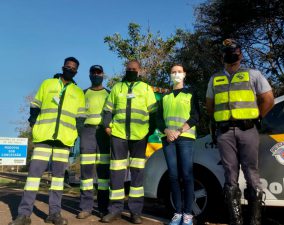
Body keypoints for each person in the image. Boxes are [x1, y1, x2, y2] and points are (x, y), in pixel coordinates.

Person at [9, 57, 86, 225]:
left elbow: (81, 118)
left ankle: (54, 214)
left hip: (64, 140)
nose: (70, 69)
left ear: (76, 71)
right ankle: (24, 215)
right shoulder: (48, 84)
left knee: (58, 179)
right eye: (68, 66)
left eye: (73, 68)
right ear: (63, 67)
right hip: (44, 136)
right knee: (33, 176)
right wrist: (33, 121)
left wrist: (76, 135)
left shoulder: (78, 92)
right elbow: (35, 104)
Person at [206, 39, 274, 225]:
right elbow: (210, 106)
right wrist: (221, 120)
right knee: (230, 174)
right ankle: (235, 219)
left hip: (248, 129)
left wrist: (257, 117)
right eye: (227, 51)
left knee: (252, 172)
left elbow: (268, 99)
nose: (231, 54)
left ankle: (255, 219)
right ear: (222, 56)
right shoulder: (215, 78)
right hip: (225, 132)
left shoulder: (253, 74)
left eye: (234, 51)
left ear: (241, 54)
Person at [101, 60, 157, 224]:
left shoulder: (146, 88)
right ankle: (115, 210)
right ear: (125, 70)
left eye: (134, 69)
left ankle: (135, 212)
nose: (131, 71)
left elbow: (154, 113)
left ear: (139, 71)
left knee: (138, 174)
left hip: (139, 136)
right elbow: (107, 110)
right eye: (129, 69)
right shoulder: (117, 88)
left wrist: (149, 131)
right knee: (116, 173)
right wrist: (106, 126)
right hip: (118, 134)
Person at [157, 65, 199, 225]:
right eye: (173, 72)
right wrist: (167, 131)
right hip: (168, 140)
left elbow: (196, 116)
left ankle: (188, 214)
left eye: (179, 72)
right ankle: (178, 212)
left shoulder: (191, 93)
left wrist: (179, 131)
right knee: (173, 176)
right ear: (170, 75)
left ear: (184, 74)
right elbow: (159, 120)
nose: (176, 74)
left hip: (185, 138)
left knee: (187, 176)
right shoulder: (165, 96)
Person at [76, 65, 110, 219]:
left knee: (103, 173)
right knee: (86, 171)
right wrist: (81, 132)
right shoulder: (83, 93)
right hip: (87, 133)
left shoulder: (109, 93)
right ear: (89, 75)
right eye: (93, 73)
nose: (96, 75)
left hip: (104, 134)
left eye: (98, 73)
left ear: (103, 75)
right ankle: (85, 207)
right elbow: (79, 117)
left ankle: (103, 207)